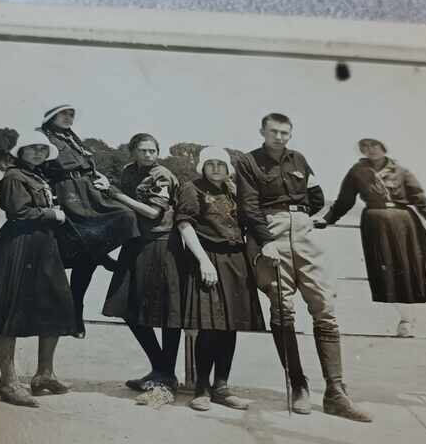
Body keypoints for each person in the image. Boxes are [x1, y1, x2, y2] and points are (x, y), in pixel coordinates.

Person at [235, 112, 372, 421]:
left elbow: (316, 195)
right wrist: (265, 239)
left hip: (304, 231)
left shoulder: (299, 159)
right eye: (274, 131)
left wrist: (302, 218)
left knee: (324, 305)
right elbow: (248, 206)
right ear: (262, 131)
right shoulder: (248, 161)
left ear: (290, 133)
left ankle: (336, 392)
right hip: (270, 232)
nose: (279, 137)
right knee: (282, 308)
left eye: (285, 132)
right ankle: (298, 385)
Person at [322, 138, 426, 354]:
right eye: (364, 146)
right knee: (389, 279)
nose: (369, 150)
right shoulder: (357, 171)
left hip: (406, 226)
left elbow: (421, 200)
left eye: (374, 145)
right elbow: (344, 201)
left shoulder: (401, 171)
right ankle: (407, 320)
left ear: (384, 147)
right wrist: (326, 220)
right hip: (376, 228)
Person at [0, 130, 77, 407]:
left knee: (56, 304)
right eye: (32, 149)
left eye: (43, 149)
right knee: (9, 310)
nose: (38, 153)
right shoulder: (13, 177)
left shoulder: (37, 176)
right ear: (21, 151)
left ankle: (44, 374)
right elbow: (17, 213)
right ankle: (8, 381)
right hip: (18, 247)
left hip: (44, 247)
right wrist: (52, 214)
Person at [37, 105, 141, 338]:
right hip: (66, 192)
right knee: (84, 246)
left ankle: (102, 258)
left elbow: (87, 165)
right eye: (63, 114)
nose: (68, 118)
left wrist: (100, 178)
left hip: (88, 191)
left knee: (126, 217)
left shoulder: (72, 138)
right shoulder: (42, 137)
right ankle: (79, 304)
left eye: (71, 114)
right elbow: (37, 168)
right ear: (51, 116)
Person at [176, 146, 265, 411]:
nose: (216, 168)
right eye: (210, 163)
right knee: (209, 325)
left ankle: (222, 387)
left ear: (228, 168)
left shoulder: (234, 191)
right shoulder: (193, 188)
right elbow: (184, 224)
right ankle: (201, 388)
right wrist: (203, 260)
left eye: (221, 164)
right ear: (202, 166)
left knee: (230, 326)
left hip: (236, 261)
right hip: (208, 259)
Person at [98, 133, 185, 407]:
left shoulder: (163, 176)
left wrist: (116, 193)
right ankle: (161, 369)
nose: (149, 155)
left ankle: (165, 376)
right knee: (127, 307)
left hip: (162, 244)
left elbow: (152, 213)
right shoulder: (128, 172)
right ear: (133, 151)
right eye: (143, 150)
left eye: (153, 150)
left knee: (168, 312)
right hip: (134, 243)